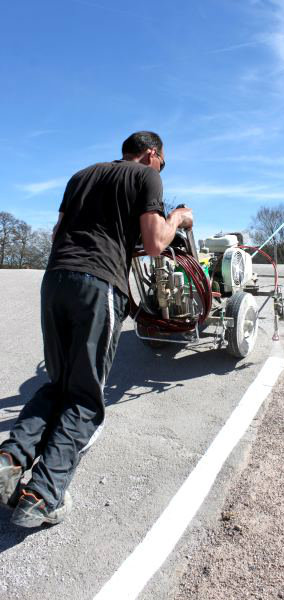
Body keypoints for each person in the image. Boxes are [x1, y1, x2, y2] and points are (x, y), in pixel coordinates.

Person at [0, 131, 193, 528]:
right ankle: (43, 495)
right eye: (163, 163)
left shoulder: (81, 175)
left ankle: (9, 459)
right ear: (152, 155)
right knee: (86, 398)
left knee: (59, 383)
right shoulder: (147, 177)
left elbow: (58, 234)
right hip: (98, 284)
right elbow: (155, 243)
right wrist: (178, 217)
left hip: (55, 279)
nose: (162, 170)